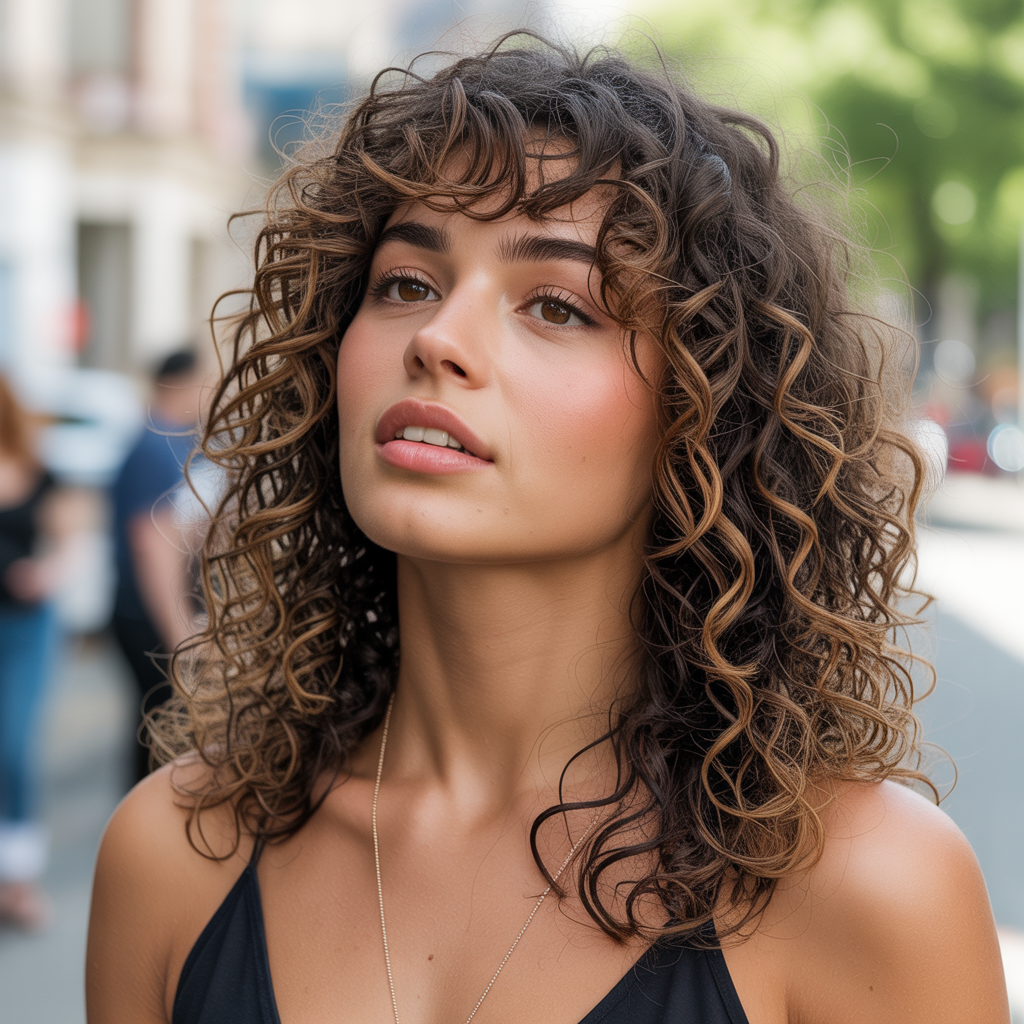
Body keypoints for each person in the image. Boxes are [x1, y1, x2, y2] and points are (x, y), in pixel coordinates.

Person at [86, 35, 1010, 1023]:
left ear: (705, 412)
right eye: (405, 283)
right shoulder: (175, 852)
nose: (439, 339)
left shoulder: (871, 891)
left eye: (558, 306)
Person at [0, 376, 79, 930]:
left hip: (26, 624)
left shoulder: (35, 466)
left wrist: (47, 574)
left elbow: (71, 541)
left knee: (14, 748)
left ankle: (19, 882)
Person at [109, 350, 201, 785]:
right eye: (208, 379)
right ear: (179, 382)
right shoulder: (153, 446)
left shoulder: (176, 441)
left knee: (153, 721)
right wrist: (179, 633)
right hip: (146, 611)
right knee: (161, 727)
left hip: (151, 608)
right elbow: (151, 544)